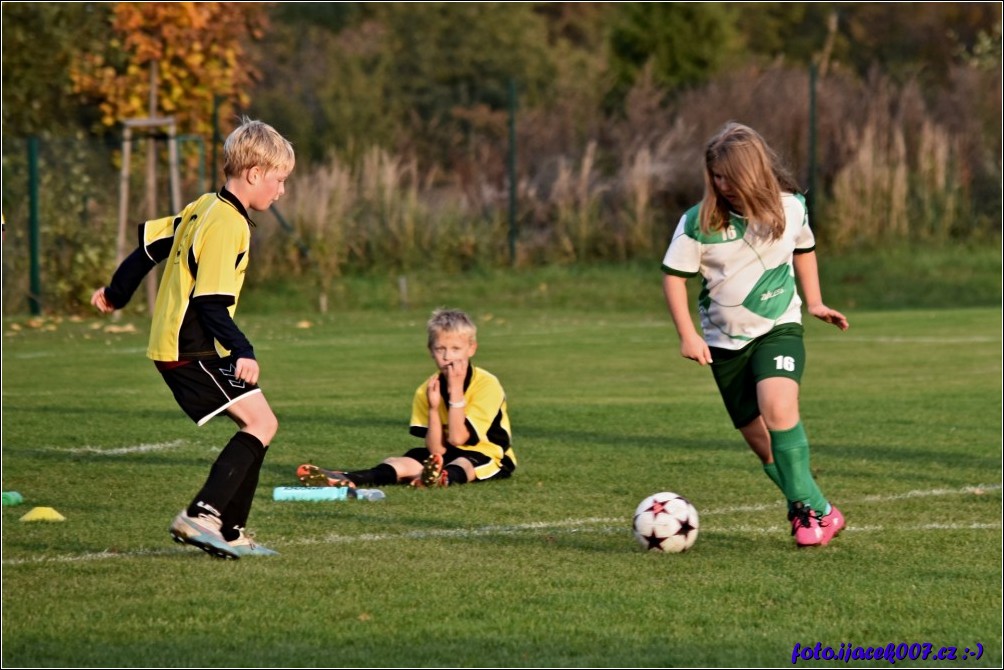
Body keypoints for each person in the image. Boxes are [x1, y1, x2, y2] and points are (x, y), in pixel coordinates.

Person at [91, 117, 294, 559]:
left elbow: (148, 248)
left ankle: (231, 531)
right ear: (254, 174)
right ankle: (203, 516)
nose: (280, 191)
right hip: (191, 346)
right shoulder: (228, 223)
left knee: (261, 421)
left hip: (179, 343)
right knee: (260, 423)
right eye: (279, 181)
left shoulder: (203, 206)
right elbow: (210, 302)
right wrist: (243, 350)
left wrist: (116, 292)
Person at [661, 121, 849, 547]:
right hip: (723, 343)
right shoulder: (698, 222)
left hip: (778, 328)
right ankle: (818, 508)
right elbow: (674, 279)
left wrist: (815, 302)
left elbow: (805, 249)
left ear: (753, 172)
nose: (722, 184)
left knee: (778, 407)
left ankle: (806, 511)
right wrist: (688, 335)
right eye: (716, 176)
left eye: (729, 175)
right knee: (763, 446)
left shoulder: (792, 208)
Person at [297, 308, 516, 489]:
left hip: (487, 454)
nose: (448, 356)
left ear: (471, 349)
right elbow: (436, 451)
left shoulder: (487, 384)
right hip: (443, 456)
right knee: (402, 462)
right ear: (431, 351)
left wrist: (456, 392)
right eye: (441, 349)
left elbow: (458, 439)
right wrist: (432, 409)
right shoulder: (427, 389)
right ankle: (349, 478)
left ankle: (442, 478)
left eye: (456, 349)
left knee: (464, 461)